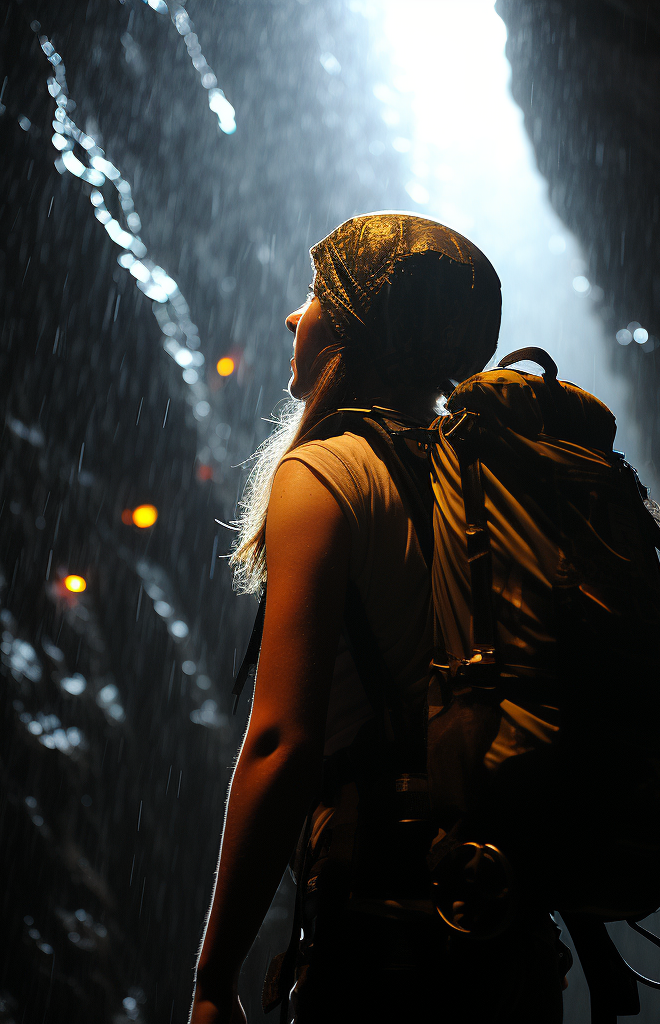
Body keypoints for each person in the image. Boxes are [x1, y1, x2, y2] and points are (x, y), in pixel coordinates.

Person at [189, 213, 567, 1024]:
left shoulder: (325, 474)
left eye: (320, 292)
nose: (297, 315)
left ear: (358, 325)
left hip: (382, 933)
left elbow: (280, 744)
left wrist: (213, 978)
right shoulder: (483, 485)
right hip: (504, 927)